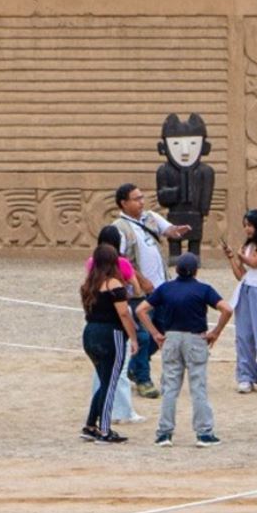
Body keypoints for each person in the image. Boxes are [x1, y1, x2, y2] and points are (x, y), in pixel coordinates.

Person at [135, 253, 232, 448]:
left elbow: (141, 310)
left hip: (171, 337)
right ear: (196, 270)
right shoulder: (203, 289)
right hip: (196, 338)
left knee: (170, 387)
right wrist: (216, 332)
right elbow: (227, 309)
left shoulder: (166, 289)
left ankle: (164, 433)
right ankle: (204, 433)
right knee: (198, 387)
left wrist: (155, 333)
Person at [113, 182, 189, 400]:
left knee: (162, 331)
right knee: (144, 335)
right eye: (136, 199)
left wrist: (177, 231)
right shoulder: (119, 227)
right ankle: (143, 378)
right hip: (137, 291)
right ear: (123, 203)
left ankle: (136, 368)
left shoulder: (150, 218)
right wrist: (141, 280)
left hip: (162, 286)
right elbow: (121, 260)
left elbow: (169, 230)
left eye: (141, 197)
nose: (141, 202)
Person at [78, 242, 141, 444]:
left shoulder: (89, 284)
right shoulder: (114, 284)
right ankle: (104, 429)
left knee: (105, 381)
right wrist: (133, 337)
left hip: (90, 333)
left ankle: (90, 424)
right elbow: (123, 313)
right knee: (110, 382)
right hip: (110, 334)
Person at [88, 222, 146, 429]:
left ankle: (95, 416)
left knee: (102, 373)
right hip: (114, 322)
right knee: (116, 372)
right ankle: (117, 415)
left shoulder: (91, 266)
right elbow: (135, 293)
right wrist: (134, 337)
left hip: (93, 323)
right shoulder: (120, 269)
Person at [220, 208, 257, 395]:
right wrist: (232, 257)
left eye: (250, 225)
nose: (247, 229)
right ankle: (245, 376)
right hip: (246, 289)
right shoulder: (246, 246)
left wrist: (240, 256)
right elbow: (241, 274)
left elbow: (255, 263)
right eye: (245, 225)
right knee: (243, 335)